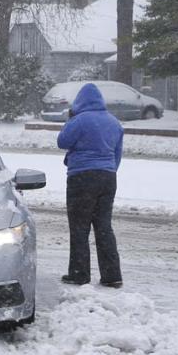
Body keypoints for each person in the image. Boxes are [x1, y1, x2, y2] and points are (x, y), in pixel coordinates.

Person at [56, 82, 124, 287]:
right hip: (108, 177)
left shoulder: (80, 120)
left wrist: (70, 120)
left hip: (82, 177)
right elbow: (117, 154)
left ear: (80, 102)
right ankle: (112, 276)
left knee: (79, 227)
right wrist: (107, 171)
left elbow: (62, 141)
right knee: (104, 227)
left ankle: (79, 274)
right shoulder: (114, 122)